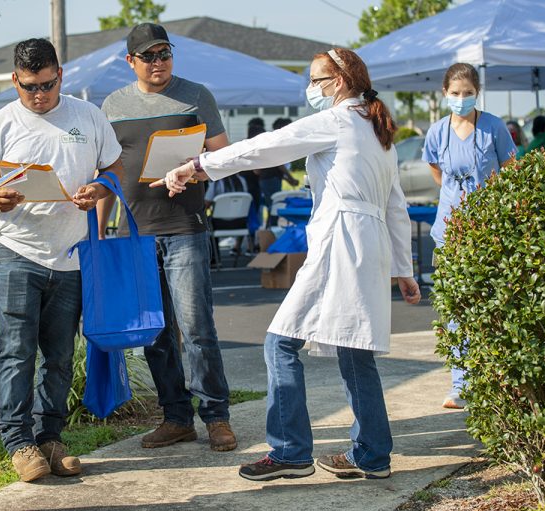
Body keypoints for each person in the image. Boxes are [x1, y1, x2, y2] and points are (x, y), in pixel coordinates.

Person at [153, 47, 421, 481]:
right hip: (366, 247)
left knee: (280, 342)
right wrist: (404, 269)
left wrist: (199, 163)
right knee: (355, 353)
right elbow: (396, 207)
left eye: (317, 79)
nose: (310, 88)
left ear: (341, 82)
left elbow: (267, 147)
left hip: (341, 242)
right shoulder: (378, 132)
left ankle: (290, 450)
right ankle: (372, 455)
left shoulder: (336, 121)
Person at [0, 38, 123, 483]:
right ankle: (18, 441)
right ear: (15, 80)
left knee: (59, 355)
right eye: (31, 86)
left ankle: (51, 437)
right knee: (16, 353)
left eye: (49, 85)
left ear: (61, 75)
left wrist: (101, 188)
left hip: (71, 257)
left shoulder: (88, 117)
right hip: (17, 251)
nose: (40, 95)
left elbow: (115, 168)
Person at [98, 23, 237, 452]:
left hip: (186, 227)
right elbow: (106, 173)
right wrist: (104, 232)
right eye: (148, 56)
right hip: (135, 233)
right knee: (155, 332)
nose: (158, 63)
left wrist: (194, 168)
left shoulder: (196, 95)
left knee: (197, 328)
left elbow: (223, 155)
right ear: (131, 62)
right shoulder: (112, 105)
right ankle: (176, 417)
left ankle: (216, 416)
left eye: (164, 54)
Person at [422, 63, 515, 410]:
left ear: (477, 93)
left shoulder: (493, 127)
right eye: (455, 93)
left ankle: (498, 378)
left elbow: (510, 170)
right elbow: (435, 168)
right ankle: (462, 384)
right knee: (456, 307)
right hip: (449, 228)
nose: (461, 99)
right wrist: (453, 199)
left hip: (488, 227)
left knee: (492, 303)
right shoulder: (437, 131)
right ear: (444, 93)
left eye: (468, 93)